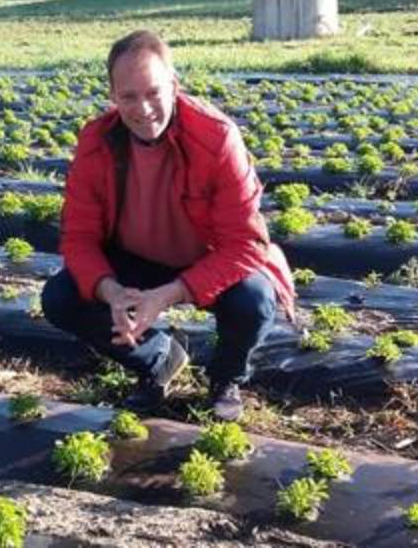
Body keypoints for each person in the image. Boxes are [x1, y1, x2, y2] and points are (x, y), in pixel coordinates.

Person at [40, 30, 296, 421]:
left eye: (153, 92)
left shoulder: (217, 139)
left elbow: (245, 244)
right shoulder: (97, 141)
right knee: (60, 297)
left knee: (254, 302)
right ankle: (157, 359)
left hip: (205, 259)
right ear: (113, 96)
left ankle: (225, 378)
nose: (143, 109)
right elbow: (78, 238)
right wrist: (110, 293)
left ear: (174, 86)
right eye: (128, 96)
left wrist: (168, 295)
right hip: (132, 258)